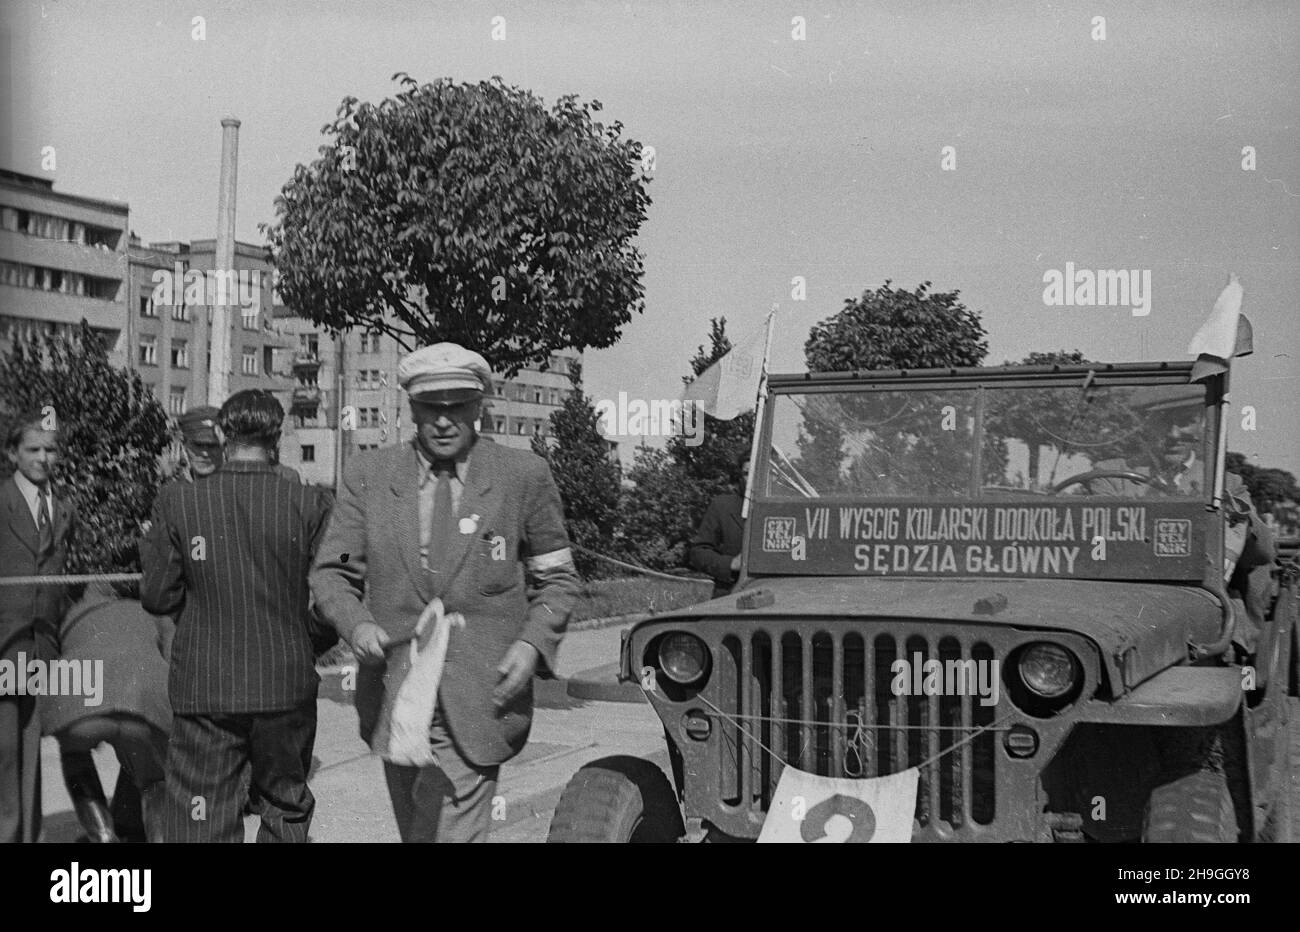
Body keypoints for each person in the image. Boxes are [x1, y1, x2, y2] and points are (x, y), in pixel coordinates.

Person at [310, 342, 581, 843]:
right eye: (430, 407)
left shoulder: (522, 477)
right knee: (419, 834)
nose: (442, 420)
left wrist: (531, 644)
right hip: (396, 694)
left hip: (481, 697)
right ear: (410, 407)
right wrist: (355, 622)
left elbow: (557, 579)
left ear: (480, 406)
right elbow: (336, 567)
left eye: (457, 405)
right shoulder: (369, 478)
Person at [141, 389, 331, 843]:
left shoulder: (179, 501)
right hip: (286, 683)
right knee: (285, 806)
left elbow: (157, 594)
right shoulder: (312, 504)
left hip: (206, 687)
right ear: (279, 437)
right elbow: (335, 593)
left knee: (200, 814)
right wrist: (303, 641)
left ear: (224, 434)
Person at [42, 566, 172, 844]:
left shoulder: (75, 608)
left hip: (83, 699)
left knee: (74, 754)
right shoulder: (153, 610)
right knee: (154, 780)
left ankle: (102, 836)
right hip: (145, 696)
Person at [1, 414, 78, 843]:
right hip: (2, 646)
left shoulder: (63, 508)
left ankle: (25, 837)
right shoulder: (1, 501)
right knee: (3, 754)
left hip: (39, 648)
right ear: (13, 453)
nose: (43, 458)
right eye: (33, 449)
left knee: (29, 751)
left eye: (50, 449)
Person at [689, 452, 750, 599]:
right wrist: (730, 564)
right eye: (747, 473)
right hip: (730, 596)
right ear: (740, 477)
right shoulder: (722, 506)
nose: (752, 479)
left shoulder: (788, 508)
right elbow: (698, 552)